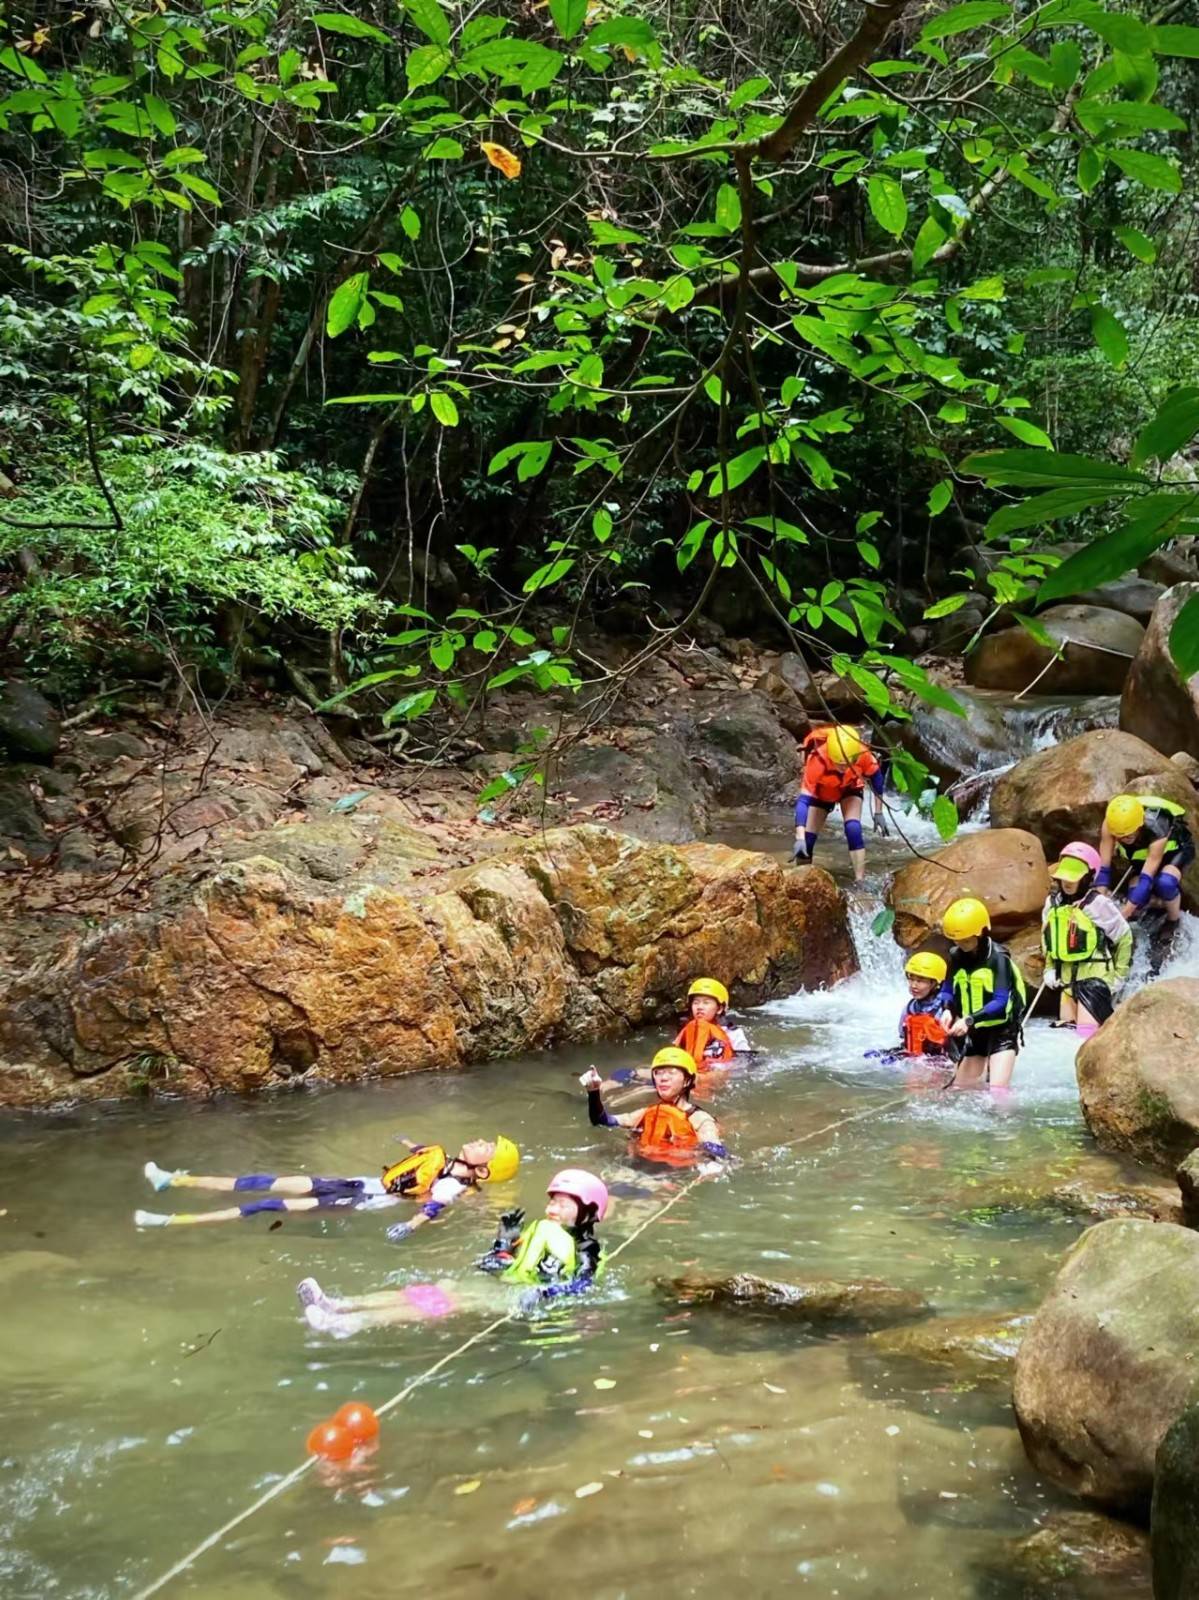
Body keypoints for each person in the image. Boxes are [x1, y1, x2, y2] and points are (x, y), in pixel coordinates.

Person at [298, 1170, 608, 1335]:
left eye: (563, 1204)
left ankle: (347, 1325)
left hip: (520, 1299)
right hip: (502, 1286)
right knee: (431, 1291)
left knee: (439, 1304)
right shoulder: (540, 1229)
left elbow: (583, 1284)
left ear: (588, 1211)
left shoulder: (587, 1248)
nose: (552, 1208)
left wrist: (545, 1293)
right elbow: (499, 1263)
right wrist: (505, 1239)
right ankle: (340, 1305)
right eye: (552, 1201)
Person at [133, 1136, 520, 1235]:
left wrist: (410, 1226)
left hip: (361, 1202)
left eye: (489, 1148)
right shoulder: (448, 1160)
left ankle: (167, 1221)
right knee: (264, 1181)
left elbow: (432, 1206)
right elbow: (421, 1158)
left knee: (265, 1206)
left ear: (484, 1171)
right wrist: (407, 1144)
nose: (482, 1142)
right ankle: (172, 1180)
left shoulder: (455, 1187)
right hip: (354, 1183)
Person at [1041, 842, 1132, 1038]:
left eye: (1074, 877)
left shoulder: (1098, 904)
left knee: (1086, 1037)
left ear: (1088, 876)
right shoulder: (1052, 904)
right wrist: (1049, 968)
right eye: (1064, 876)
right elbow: (1047, 938)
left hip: (1095, 980)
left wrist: (1119, 976)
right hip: (1066, 980)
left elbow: (1124, 938)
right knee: (1064, 1037)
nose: (1067, 882)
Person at [581, 1047, 728, 1167]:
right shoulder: (647, 1113)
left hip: (675, 1174)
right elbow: (602, 1121)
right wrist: (594, 1093)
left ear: (687, 1081)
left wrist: (707, 1162)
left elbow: (715, 1152)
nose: (663, 1078)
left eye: (671, 1073)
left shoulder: (700, 1119)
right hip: (639, 1166)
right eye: (658, 1073)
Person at [937, 898, 1027, 1090]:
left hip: (1001, 1031)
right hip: (976, 1032)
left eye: (966, 940)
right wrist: (946, 1010)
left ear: (980, 933)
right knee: (959, 1090)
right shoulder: (955, 956)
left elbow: (1000, 1001)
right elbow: (947, 988)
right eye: (956, 939)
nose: (961, 944)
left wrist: (968, 1020)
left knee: (997, 1092)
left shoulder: (998, 958)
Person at [1099, 795, 1192, 956]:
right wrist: (1098, 900)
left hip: (1173, 852)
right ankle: (1155, 905)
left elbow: (1146, 880)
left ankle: (1172, 919)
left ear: (1139, 825)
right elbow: (1104, 871)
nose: (1123, 840)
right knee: (1134, 890)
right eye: (1119, 837)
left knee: (1165, 883)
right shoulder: (1110, 825)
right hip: (1142, 856)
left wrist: (1121, 917)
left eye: (1128, 835)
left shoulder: (1156, 827)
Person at [793, 724, 887, 882]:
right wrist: (800, 837)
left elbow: (877, 779)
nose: (843, 768)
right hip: (822, 793)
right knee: (807, 841)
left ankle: (860, 880)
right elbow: (803, 801)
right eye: (839, 764)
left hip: (849, 788)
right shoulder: (818, 759)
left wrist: (879, 812)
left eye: (847, 765)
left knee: (853, 829)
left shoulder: (861, 753)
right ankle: (801, 879)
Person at [867, 951, 952, 1063]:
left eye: (920, 981)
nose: (913, 985)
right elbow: (903, 1036)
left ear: (935, 984)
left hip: (938, 1061)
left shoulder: (945, 1010)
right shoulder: (910, 1007)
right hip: (918, 1057)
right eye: (911, 979)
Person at [674, 977, 752, 1067]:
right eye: (696, 1003)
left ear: (719, 1009)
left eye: (706, 1003)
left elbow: (745, 1061)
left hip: (719, 1072)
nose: (699, 1007)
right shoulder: (686, 1030)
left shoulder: (732, 1033)